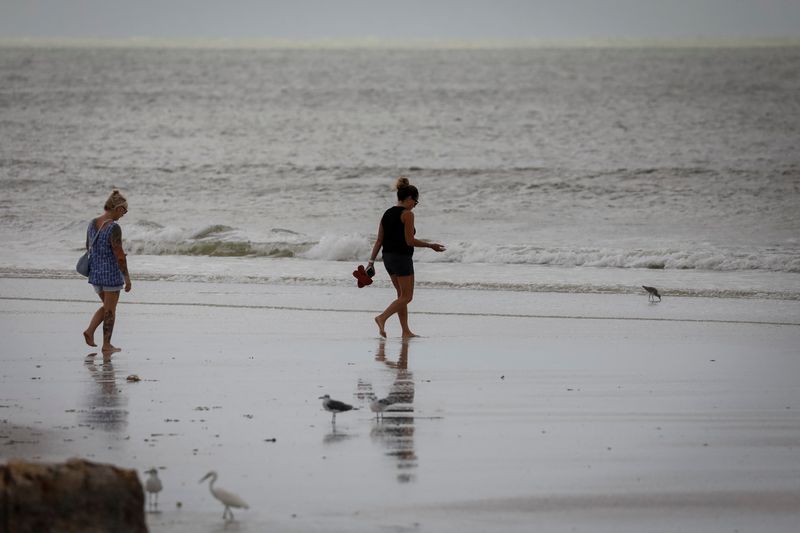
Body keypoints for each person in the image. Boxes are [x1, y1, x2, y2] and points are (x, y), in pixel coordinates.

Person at [369, 177, 445, 338]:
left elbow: (379, 240)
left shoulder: (387, 213)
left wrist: (371, 262)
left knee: (401, 296)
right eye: (416, 203)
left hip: (388, 258)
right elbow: (410, 241)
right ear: (410, 198)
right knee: (407, 297)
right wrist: (431, 245)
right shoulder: (407, 214)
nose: (415, 206)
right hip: (401, 258)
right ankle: (381, 317)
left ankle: (405, 331)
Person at [82, 190, 132, 354]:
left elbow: (88, 246)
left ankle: (90, 331)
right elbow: (119, 256)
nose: (124, 214)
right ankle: (106, 345)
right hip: (110, 275)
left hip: (95, 274)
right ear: (117, 208)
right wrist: (127, 278)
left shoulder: (92, 223)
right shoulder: (114, 227)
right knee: (110, 311)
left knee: (107, 307)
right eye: (124, 210)